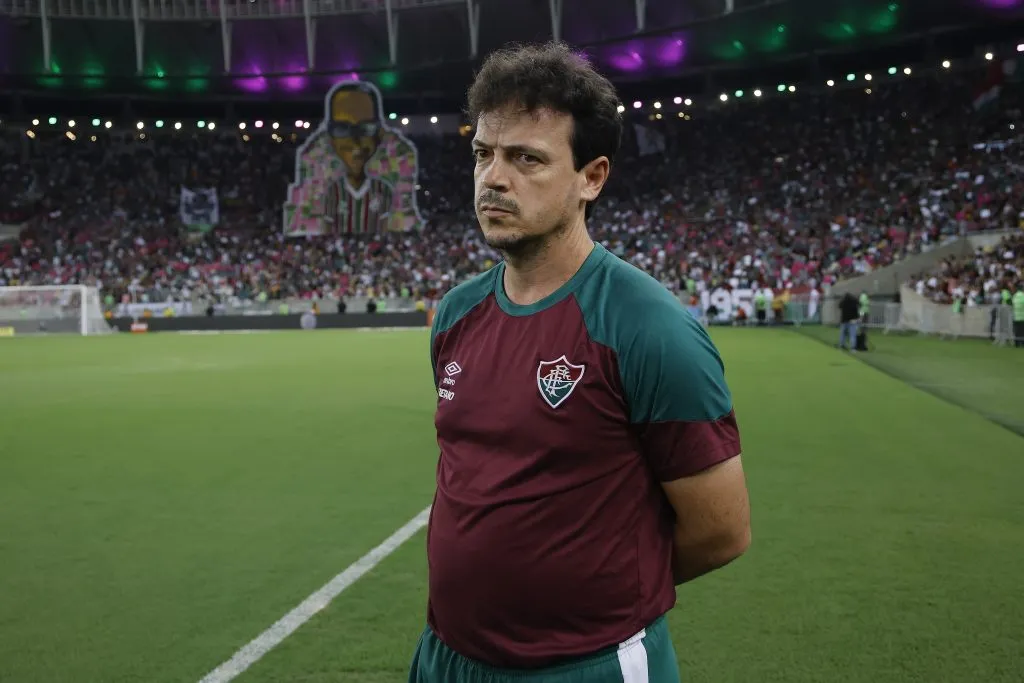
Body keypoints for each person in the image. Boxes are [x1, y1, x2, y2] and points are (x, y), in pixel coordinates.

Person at [408, 42, 751, 683]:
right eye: (483, 153)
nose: (492, 178)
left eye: (526, 159)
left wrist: (589, 594)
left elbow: (722, 530)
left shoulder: (648, 327)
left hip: (587, 666)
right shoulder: (455, 315)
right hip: (448, 657)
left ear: (592, 177)